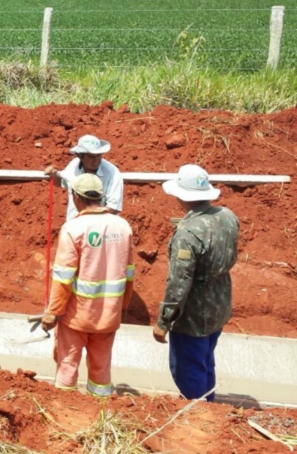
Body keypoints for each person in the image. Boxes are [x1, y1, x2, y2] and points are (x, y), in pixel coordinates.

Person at [40, 173, 135, 398]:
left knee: (67, 367)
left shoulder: (74, 229)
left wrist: (52, 312)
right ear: (100, 197)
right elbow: (129, 273)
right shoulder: (122, 227)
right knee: (101, 371)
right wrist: (123, 307)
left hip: (76, 317)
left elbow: (63, 278)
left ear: (76, 197)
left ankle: (65, 410)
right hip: (108, 316)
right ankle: (100, 415)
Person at [153, 164, 238, 402]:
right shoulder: (227, 216)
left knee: (189, 370)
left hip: (194, 315)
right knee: (205, 361)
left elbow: (179, 283)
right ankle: (209, 407)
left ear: (181, 195)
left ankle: (199, 418)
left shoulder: (188, 234)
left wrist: (164, 320)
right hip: (219, 305)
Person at [44, 134, 124, 219]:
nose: (96, 160)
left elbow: (114, 207)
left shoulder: (112, 173)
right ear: (80, 156)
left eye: (98, 155)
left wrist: (87, 217)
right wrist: (53, 175)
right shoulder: (73, 166)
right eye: (91, 157)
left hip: (100, 228)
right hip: (74, 226)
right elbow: (61, 183)